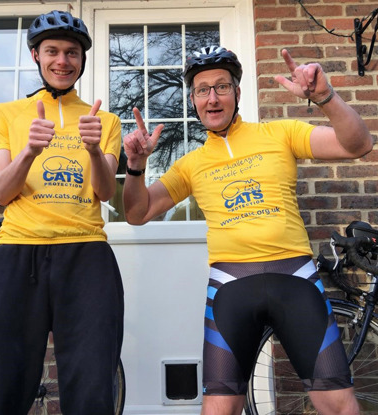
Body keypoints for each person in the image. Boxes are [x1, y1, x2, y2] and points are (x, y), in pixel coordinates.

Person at [122, 45, 373, 415]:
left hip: (296, 278)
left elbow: (358, 144)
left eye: (222, 87)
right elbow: (136, 213)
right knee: (219, 408)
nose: (212, 98)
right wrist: (136, 166)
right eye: (202, 90)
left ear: (237, 94)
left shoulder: (279, 134)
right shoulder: (191, 165)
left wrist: (325, 97)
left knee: (337, 403)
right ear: (192, 100)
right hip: (230, 287)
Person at [0, 10, 123, 415]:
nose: (62, 61)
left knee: (91, 384)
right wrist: (29, 152)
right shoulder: (5, 114)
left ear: (82, 60)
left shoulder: (104, 120)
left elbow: (105, 193)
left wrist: (93, 149)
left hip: (87, 255)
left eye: (72, 52)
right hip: (17, 253)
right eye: (52, 51)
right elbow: (3, 193)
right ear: (36, 55)